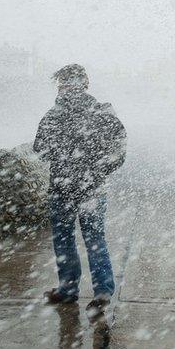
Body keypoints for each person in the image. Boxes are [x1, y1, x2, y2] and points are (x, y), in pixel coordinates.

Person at [33, 64, 127, 318]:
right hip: (85, 188)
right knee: (89, 239)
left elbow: (40, 149)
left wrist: (74, 162)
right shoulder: (97, 111)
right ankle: (97, 292)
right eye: (66, 84)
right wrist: (98, 168)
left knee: (72, 239)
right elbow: (119, 146)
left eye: (66, 83)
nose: (66, 88)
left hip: (72, 187)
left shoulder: (57, 114)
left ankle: (74, 289)